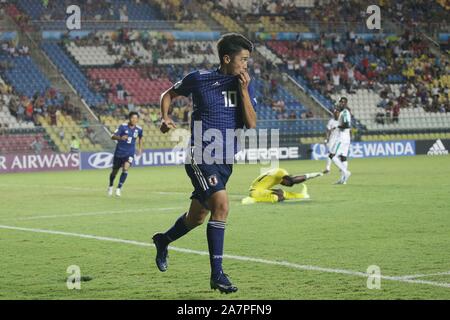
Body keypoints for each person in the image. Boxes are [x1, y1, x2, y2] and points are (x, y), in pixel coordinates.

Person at [152, 33, 257, 294]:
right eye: (243, 60)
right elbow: (168, 93)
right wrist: (164, 118)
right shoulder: (200, 79)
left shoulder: (244, 84)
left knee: (196, 217)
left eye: (248, 60)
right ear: (226, 58)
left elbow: (251, 123)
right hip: (201, 156)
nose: (246, 65)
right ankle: (217, 275)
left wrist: (243, 90)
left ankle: (163, 240)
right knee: (221, 205)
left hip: (225, 161)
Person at [108, 111, 143, 197]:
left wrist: (140, 149)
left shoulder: (139, 129)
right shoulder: (123, 127)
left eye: (136, 118)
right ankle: (110, 185)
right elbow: (112, 136)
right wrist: (120, 137)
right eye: (132, 118)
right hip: (119, 152)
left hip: (130, 153)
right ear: (129, 118)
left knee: (125, 168)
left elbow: (140, 138)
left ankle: (119, 188)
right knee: (114, 172)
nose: (134, 120)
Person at [241, 168, 323, 204]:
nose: (288, 185)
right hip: (256, 192)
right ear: (286, 178)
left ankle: (302, 195)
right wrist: (311, 175)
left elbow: (291, 182)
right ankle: (254, 200)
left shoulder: (276, 175)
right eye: (288, 183)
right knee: (280, 196)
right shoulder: (280, 172)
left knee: (280, 192)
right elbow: (293, 180)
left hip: (257, 190)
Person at [328, 97, 352, 184]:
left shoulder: (345, 112)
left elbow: (346, 125)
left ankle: (346, 172)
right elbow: (337, 117)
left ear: (346, 103)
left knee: (332, 155)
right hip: (346, 138)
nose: (341, 103)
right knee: (343, 158)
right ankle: (343, 180)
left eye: (343, 102)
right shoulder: (343, 112)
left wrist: (337, 127)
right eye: (340, 102)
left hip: (342, 138)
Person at [323, 108, 340, 174]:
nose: (336, 114)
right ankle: (328, 168)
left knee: (336, 154)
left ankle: (341, 167)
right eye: (335, 113)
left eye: (337, 113)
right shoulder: (331, 121)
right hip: (332, 139)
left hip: (339, 140)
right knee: (330, 154)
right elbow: (327, 131)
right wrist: (326, 139)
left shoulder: (341, 121)